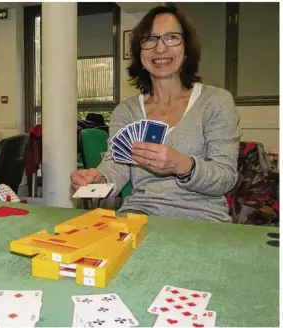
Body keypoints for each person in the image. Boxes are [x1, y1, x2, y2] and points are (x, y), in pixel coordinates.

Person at [71, 3, 241, 222]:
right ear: (139, 53)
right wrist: (96, 178)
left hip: (203, 220)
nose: (160, 49)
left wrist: (183, 166)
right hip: (138, 216)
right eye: (149, 39)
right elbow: (117, 166)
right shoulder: (127, 111)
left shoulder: (216, 101)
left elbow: (226, 177)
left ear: (187, 48)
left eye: (171, 38)